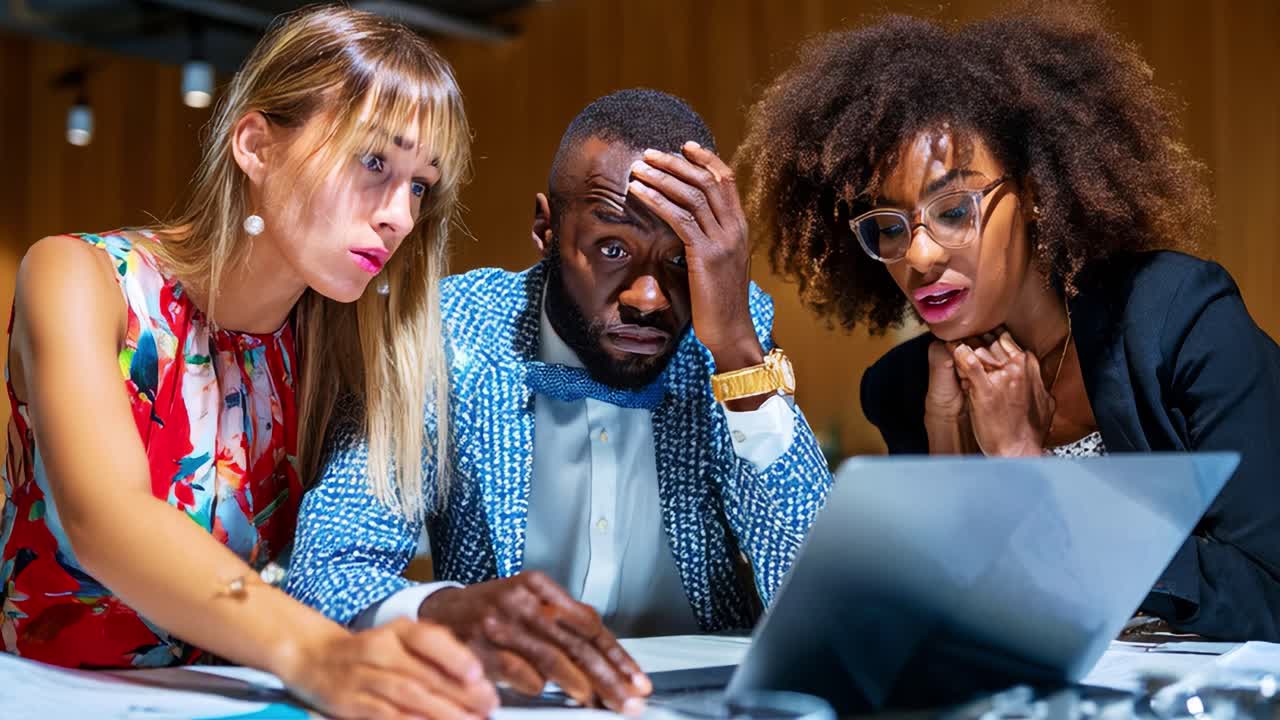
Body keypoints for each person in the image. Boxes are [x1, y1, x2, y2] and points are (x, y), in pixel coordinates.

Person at [0, 6, 498, 718]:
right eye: (374, 162)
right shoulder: (79, 277)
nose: (400, 216)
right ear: (257, 147)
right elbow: (104, 517)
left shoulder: (345, 347)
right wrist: (316, 653)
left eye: (420, 184)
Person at [736, 4, 1280, 642]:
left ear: (1037, 194)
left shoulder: (1179, 320)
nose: (919, 255)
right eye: (889, 225)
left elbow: (1267, 590)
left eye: (954, 210)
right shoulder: (905, 390)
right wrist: (948, 448)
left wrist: (1029, 469)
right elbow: (944, 631)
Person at [288, 89, 833, 711]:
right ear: (545, 228)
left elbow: (826, 601)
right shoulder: (450, 331)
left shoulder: (732, 335)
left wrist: (738, 352)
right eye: (612, 249)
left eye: (680, 259)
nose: (651, 298)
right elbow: (327, 569)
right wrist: (447, 611)